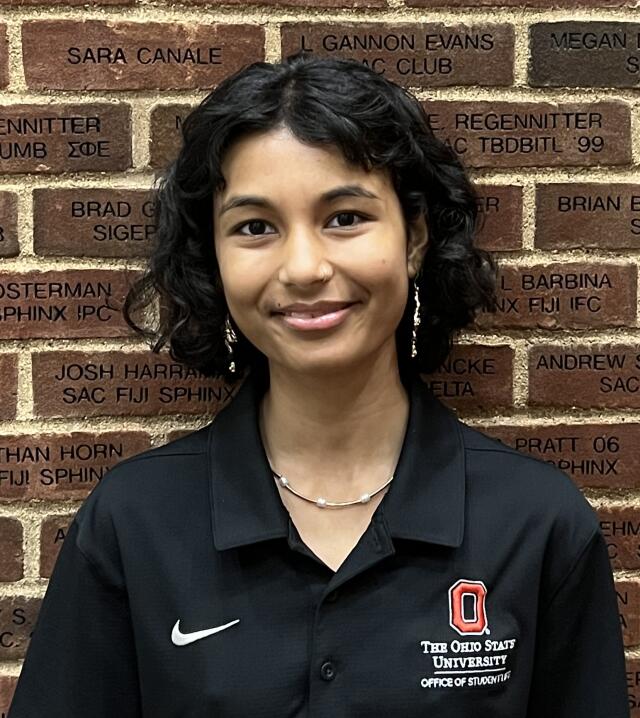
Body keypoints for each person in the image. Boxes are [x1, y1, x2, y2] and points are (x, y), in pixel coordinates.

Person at [8, 50, 629, 717]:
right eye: (255, 227)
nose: (303, 267)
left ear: (414, 237)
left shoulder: (536, 524)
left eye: (344, 218)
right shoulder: (133, 523)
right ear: (213, 259)